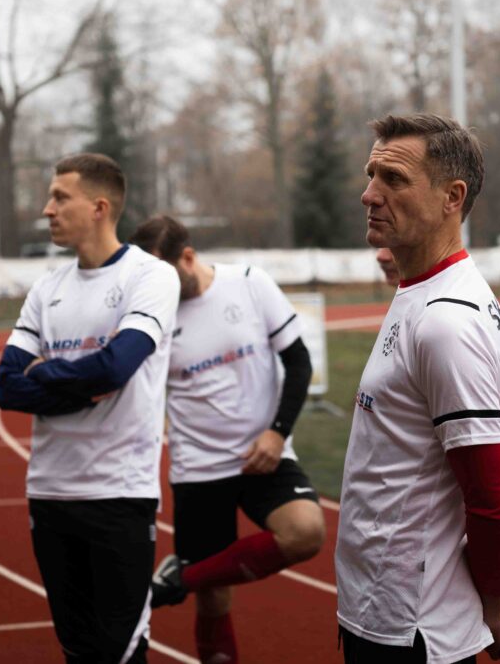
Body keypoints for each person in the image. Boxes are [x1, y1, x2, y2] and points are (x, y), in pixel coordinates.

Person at [335, 114, 500, 664]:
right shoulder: (423, 291)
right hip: (386, 611)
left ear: (451, 197)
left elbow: (495, 503)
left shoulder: (446, 322)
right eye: (371, 175)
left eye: (394, 179)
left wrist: (495, 609)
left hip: (409, 627)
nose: (370, 194)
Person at [0, 153, 179, 664]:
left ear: (99, 207)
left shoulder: (151, 277)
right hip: (49, 492)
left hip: (118, 493)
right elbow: (7, 388)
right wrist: (80, 384)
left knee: (119, 653)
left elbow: (115, 369)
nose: (47, 209)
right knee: (77, 651)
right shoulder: (46, 288)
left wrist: (44, 373)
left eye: (60, 197)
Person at [130, 215, 325, 664]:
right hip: (198, 470)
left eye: (163, 274)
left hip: (265, 456)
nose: (157, 287)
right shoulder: (154, 314)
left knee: (306, 531)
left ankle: (180, 578)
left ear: (188, 257)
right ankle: (192, 581)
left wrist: (277, 433)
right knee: (214, 598)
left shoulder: (251, 284)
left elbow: (298, 363)